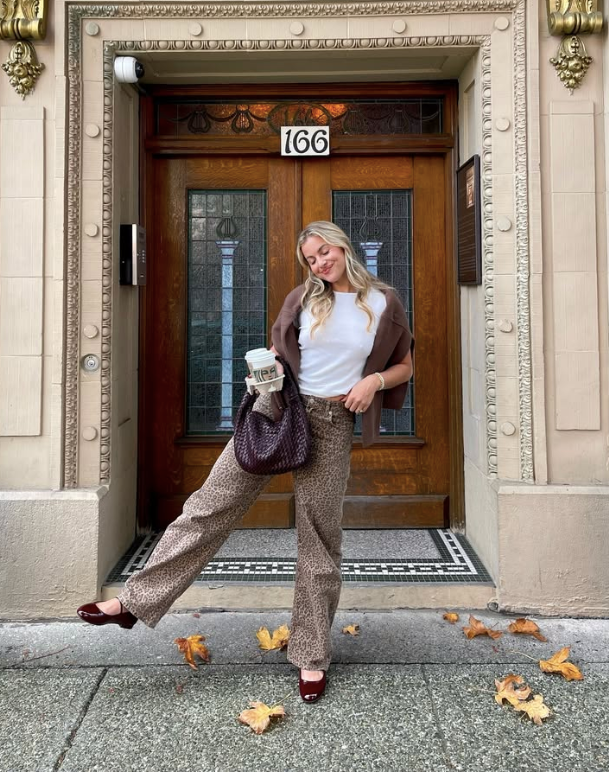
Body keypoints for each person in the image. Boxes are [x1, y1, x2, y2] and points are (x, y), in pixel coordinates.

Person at [77, 221, 414, 703]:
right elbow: (279, 351)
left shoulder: (384, 301)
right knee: (209, 505)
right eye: (311, 259)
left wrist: (372, 384)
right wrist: (271, 366)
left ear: (341, 245)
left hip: (334, 419)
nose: (319, 263)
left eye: (324, 252)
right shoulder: (303, 298)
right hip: (277, 408)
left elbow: (405, 363)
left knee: (319, 538)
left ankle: (311, 654)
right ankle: (132, 602)